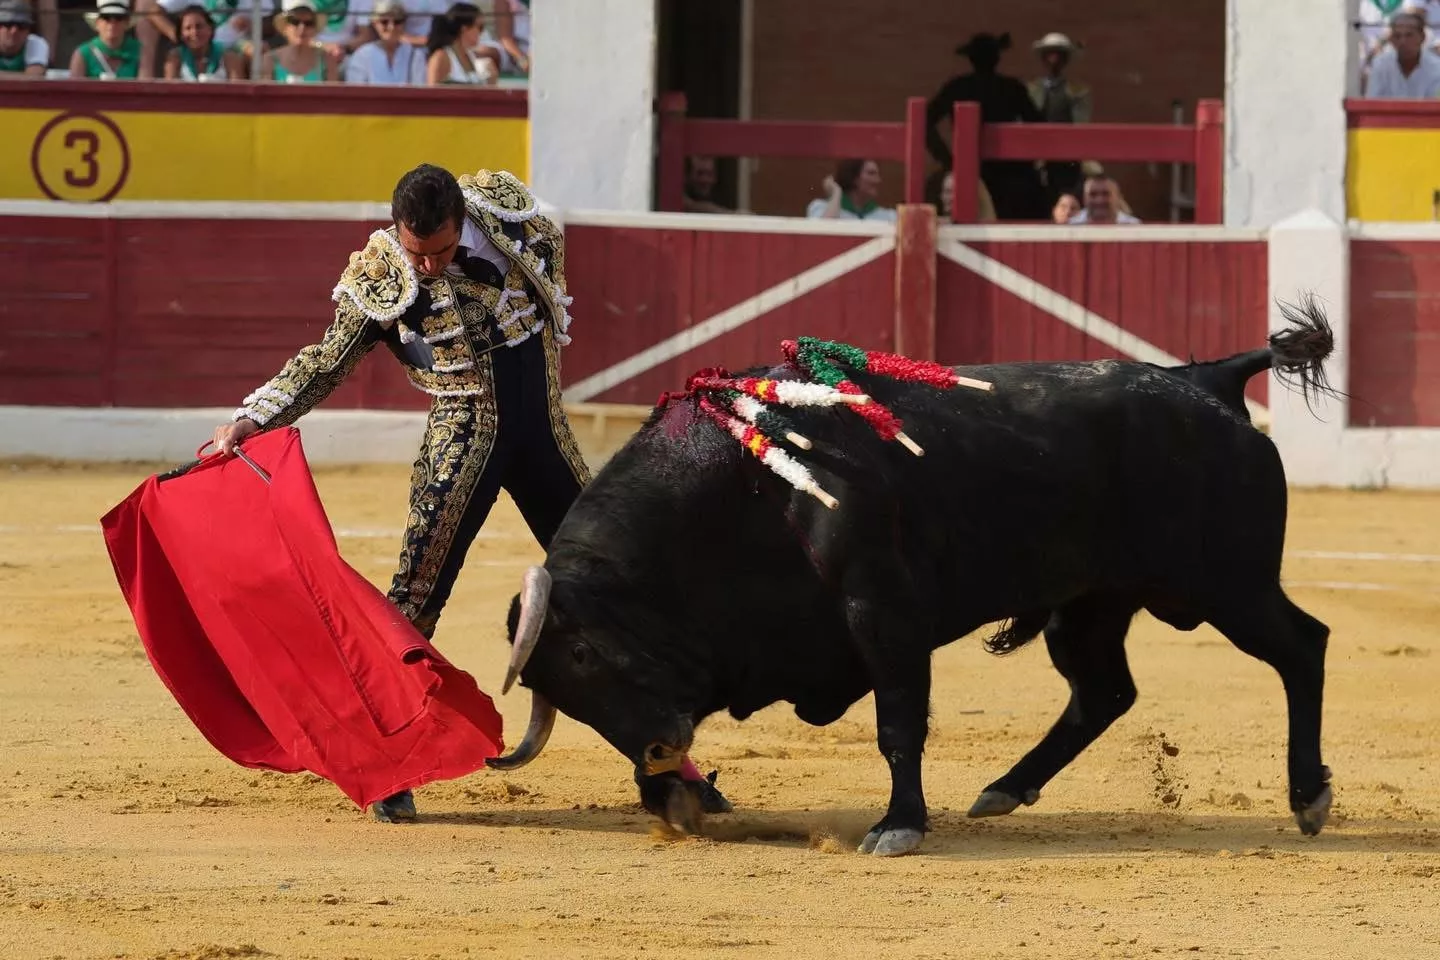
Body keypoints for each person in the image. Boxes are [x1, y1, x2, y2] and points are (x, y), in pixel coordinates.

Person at [212, 164, 732, 823]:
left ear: (463, 223)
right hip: (464, 438)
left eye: (440, 251)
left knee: (618, 594)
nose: (426, 267)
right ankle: (388, 763)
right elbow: (327, 359)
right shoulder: (386, 273)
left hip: (544, 433)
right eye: (414, 251)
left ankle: (671, 771)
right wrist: (256, 416)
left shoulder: (518, 227)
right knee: (415, 600)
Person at [345, 0, 424, 84]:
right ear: (375, 23)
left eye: (397, 21)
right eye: (384, 22)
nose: (391, 27)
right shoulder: (362, 55)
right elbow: (356, 91)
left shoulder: (415, 55)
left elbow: (419, 91)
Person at [162, 4, 243, 80]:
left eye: (199, 26)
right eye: (188, 28)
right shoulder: (175, 57)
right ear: (181, 34)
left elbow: (239, 91)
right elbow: (170, 91)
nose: (194, 33)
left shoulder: (229, 57)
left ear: (210, 29)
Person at [805, 158, 897, 222]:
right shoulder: (820, 207)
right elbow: (823, 233)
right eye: (871, 173)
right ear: (853, 177)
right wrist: (836, 192)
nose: (878, 180)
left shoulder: (889, 216)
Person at [70, 0, 143, 78]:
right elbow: (75, 88)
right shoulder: (83, 54)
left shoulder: (141, 51)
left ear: (126, 23)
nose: (112, 23)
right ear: (97, 23)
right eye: (106, 17)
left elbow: (145, 86)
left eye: (118, 18)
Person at [0, 0, 49, 77]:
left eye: (21, 26)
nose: (14, 31)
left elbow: (34, 78)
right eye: (8, 24)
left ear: (28, 30)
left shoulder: (36, 43)